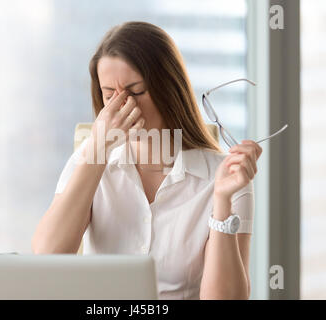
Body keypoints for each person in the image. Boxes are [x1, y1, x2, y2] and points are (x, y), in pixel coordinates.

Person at [32, 21, 262, 300]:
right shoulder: (88, 160)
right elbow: (47, 257)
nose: (124, 106)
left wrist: (222, 201)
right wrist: (98, 150)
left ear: (168, 89)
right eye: (109, 96)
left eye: (137, 91)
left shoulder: (225, 178)